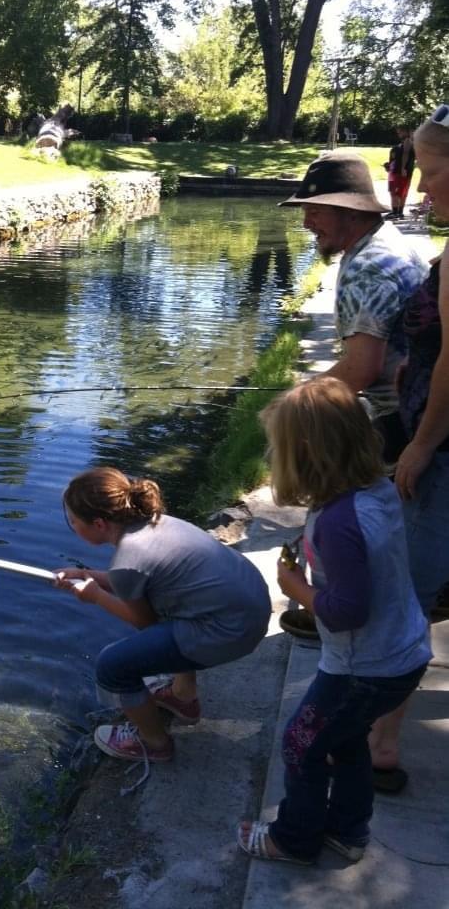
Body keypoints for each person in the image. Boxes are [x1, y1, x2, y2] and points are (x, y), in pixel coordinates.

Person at [237, 377, 430, 866]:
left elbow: (347, 609)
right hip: (400, 653)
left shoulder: (338, 523)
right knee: (344, 741)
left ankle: (293, 839)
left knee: (300, 746)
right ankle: (348, 832)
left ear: (304, 453)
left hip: (363, 666)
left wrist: (295, 590)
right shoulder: (375, 491)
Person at [276, 152, 428, 654]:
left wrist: (293, 405)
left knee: (346, 515)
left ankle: (346, 618)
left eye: (316, 210)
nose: (306, 221)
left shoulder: (367, 267)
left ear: (350, 211)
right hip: (414, 408)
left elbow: (361, 370)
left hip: (398, 422)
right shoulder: (388, 245)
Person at [55, 467, 271, 768]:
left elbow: (145, 622)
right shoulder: (156, 522)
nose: (73, 526)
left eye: (74, 521)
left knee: (113, 667)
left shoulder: (127, 559)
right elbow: (131, 580)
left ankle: (154, 743)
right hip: (251, 608)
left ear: (99, 523)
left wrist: (96, 596)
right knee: (170, 602)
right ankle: (183, 697)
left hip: (230, 632)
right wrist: (85, 574)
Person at [367, 103, 449, 791]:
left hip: (442, 453)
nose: (419, 188)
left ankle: (381, 740)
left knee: (408, 593)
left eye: (427, 169)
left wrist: (421, 442)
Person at [385, 125, 416, 219]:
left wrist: (403, 168)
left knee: (397, 192)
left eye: (400, 131)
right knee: (397, 192)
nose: (399, 133)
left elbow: (406, 154)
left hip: (400, 172)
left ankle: (396, 212)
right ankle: (398, 212)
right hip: (395, 171)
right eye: (398, 132)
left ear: (407, 131)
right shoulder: (403, 143)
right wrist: (389, 166)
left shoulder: (408, 141)